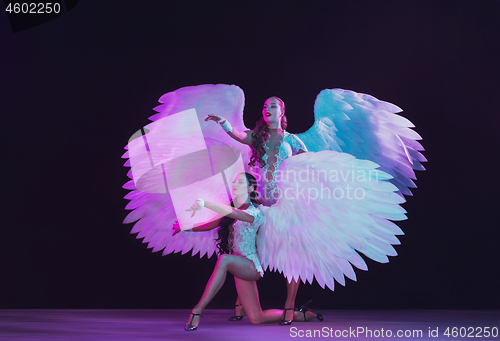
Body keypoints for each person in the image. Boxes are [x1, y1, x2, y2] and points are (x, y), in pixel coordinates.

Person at [172, 173, 321, 331]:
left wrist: (205, 203)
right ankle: (302, 315)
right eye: (234, 182)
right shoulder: (233, 210)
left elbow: (232, 213)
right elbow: (210, 225)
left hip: (250, 267)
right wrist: (183, 226)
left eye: (239, 182)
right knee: (257, 318)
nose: (235, 185)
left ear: (251, 188)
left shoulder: (255, 213)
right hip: (239, 266)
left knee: (224, 259)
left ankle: (197, 310)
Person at [206, 96, 307, 325]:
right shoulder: (257, 137)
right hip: (259, 205)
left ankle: (290, 306)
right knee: (246, 250)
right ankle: (241, 303)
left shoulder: (294, 141)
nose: (267, 109)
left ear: (282, 112)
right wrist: (224, 123)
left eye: (272, 106)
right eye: (264, 106)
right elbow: (239, 135)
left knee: (293, 255)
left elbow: (308, 167)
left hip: (284, 207)